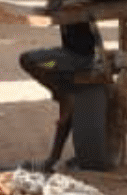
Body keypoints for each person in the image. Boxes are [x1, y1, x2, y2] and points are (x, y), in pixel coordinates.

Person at [18, 19, 104, 173]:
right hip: (70, 59)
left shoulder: (75, 11)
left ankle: (61, 93)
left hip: (76, 60)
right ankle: (54, 158)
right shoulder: (71, 14)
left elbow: (93, 37)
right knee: (48, 68)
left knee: (29, 60)